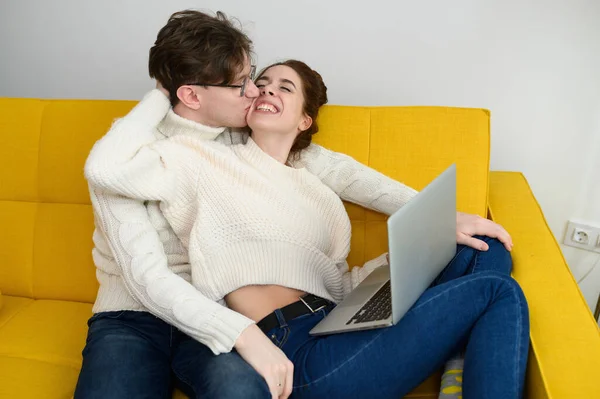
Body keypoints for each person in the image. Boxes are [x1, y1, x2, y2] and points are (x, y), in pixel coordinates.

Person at [84, 57, 529, 399]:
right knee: (498, 291)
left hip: (339, 317)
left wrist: (425, 232)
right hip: (287, 342)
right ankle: (463, 362)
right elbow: (109, 167)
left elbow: (334, 268)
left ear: (304, 120)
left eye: (284, 87)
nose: (265, 90)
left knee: (485, 249)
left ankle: (458, 355)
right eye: (261, 83)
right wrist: (163, 91)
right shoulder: (204, 159)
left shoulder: (316, 185)